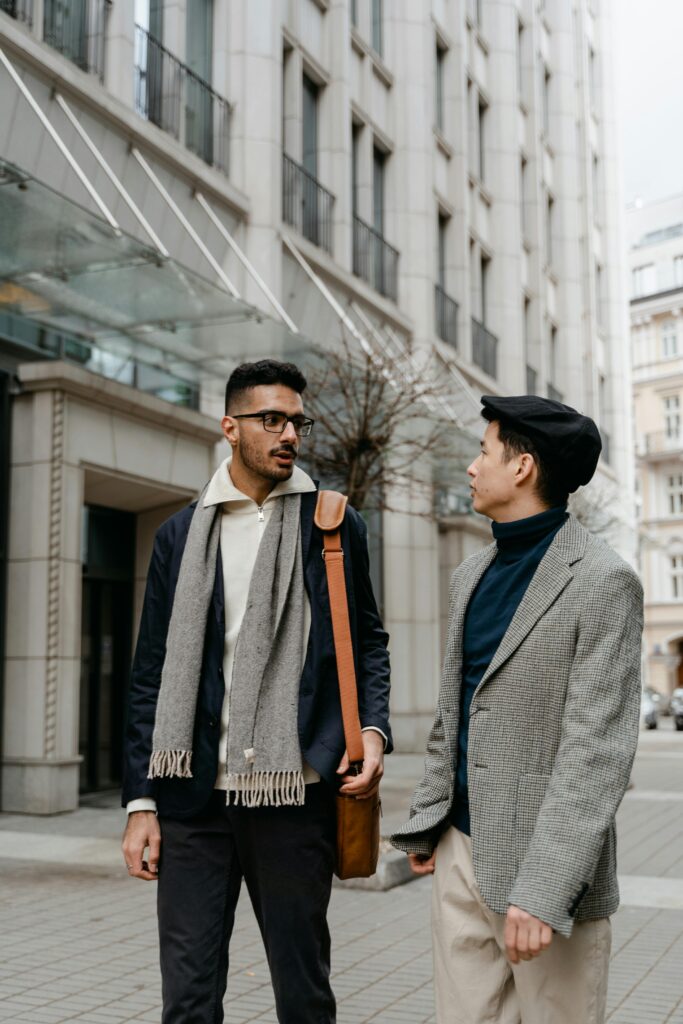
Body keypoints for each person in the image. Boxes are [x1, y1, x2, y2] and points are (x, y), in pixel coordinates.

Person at [121, 359, 391, 1024]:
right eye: (270, 419)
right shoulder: (181, 536)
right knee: (187, 999)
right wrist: (139, 802)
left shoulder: (330, 525)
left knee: (302, 994)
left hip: (292, 792)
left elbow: (368, 643)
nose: (288, 433)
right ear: (229, 427)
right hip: (192, 802)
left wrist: (374, 733)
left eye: (296, 420)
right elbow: (152, 669)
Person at [391, 395, 643, 1024]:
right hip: (459, 852)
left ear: (523, 467)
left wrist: (543, 889)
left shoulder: (603, 580)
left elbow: (597, 752)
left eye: (483, 452)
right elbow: (456, 710)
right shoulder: (471, 573)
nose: (473, 468)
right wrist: (430, 817)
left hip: (548, 874)